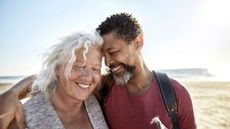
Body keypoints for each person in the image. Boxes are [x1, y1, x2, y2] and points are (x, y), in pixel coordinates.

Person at [0, 13, 196, 129]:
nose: (109, 63)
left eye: (114, 52)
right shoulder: (105, 87)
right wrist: (11, 93)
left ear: (138, 42)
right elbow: (57, 78)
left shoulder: (175, 95)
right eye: (105, 57)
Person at [1, 31, 109, 129]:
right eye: (79, 66)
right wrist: (12, 93)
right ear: (57, 68)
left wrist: (13, 92)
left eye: (95, 69)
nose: (88, 77)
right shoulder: (25, 118)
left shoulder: (95, 100)